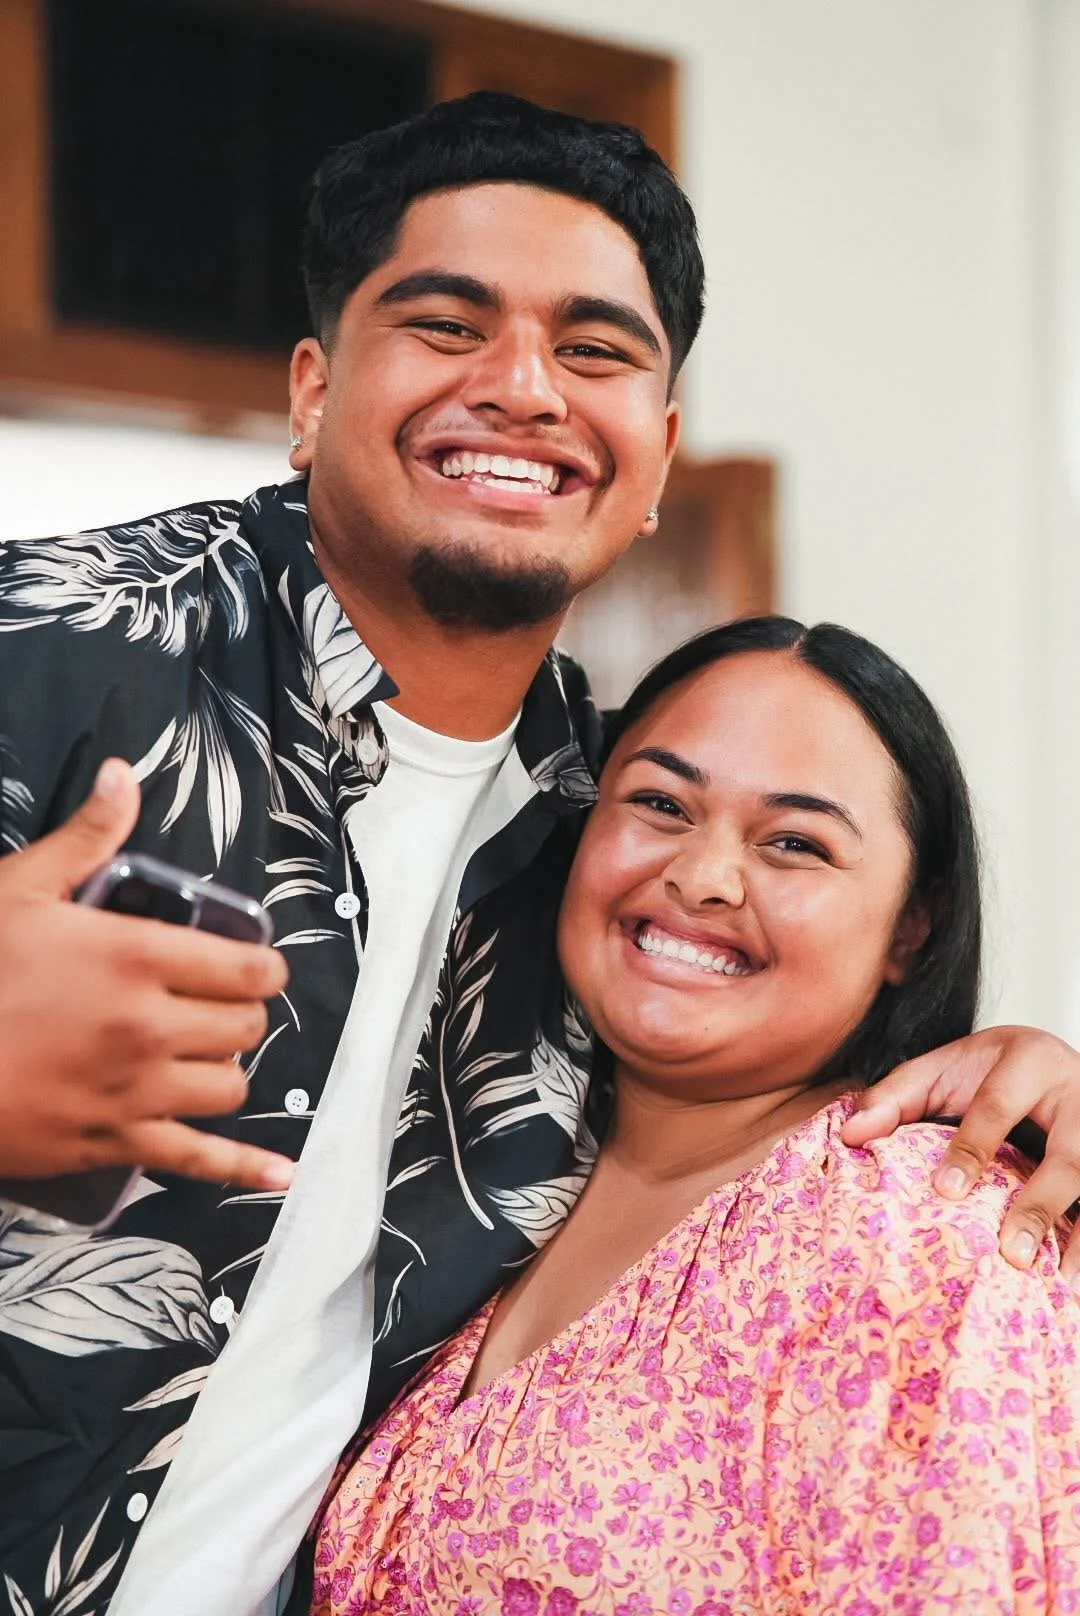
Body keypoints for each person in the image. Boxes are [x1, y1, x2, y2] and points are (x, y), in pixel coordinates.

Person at [0, 95, 1076, 1616]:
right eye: (445, 325)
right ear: (314, 389)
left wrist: (1026, 1064)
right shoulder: (44, 649)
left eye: (595, 350)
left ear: (655, 456)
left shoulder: (600, 831)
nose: (521, 390)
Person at [312, 617, 1080, 1614]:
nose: (704, 876)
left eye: (795, 841)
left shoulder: (924, 1223)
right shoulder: (466, 1175)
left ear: (912, 924)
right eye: (661, 803)